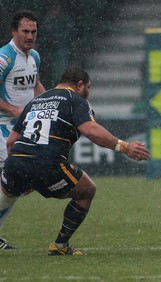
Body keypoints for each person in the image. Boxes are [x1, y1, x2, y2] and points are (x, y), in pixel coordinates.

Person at [0, 66, 150, 255]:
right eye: (88, 87)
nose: (88, 92)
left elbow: (11, 141)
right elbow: (91, 130)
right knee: (86, 190)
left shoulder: (35, 101)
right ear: (80, 85)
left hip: (16, 162)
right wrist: (124, 147)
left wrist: (26, 172)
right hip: (46, 162)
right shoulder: (74, 100)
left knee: (4, 200)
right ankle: (60, 246)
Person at [0, 10, 45, 249]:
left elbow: (35, 84)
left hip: (22, 130)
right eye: (25, 31)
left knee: (12, 186)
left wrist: (51, 103)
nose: (30, 36)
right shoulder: (4, 58)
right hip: (3, 128)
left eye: (33, 32)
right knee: (13, 182)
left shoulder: (34, 57)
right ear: (13, 32)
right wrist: (15, 110)